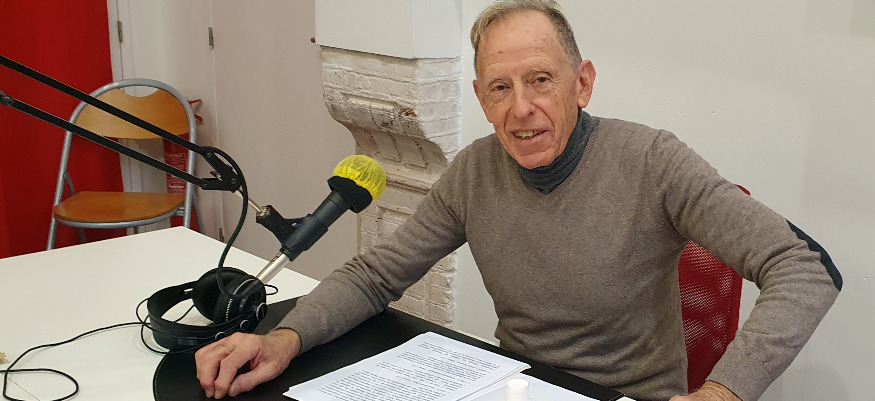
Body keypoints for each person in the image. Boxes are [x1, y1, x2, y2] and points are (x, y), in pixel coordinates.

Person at [194, 1, 841, 400]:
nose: (521, 108)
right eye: (500, 88)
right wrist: (283, 338)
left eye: (540, 80)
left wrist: (722, 393)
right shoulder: (475, 170)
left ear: (581, 83)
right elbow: (375, 275)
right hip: (513, 386)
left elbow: (805, 267)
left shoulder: (652, 161)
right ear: (480, 99)